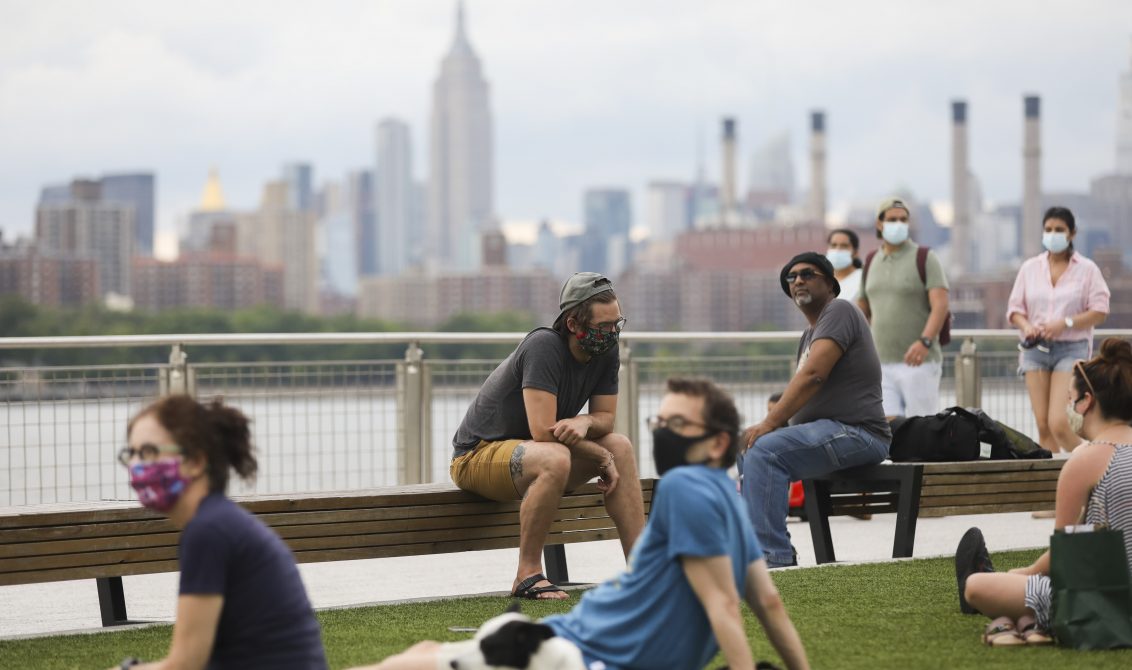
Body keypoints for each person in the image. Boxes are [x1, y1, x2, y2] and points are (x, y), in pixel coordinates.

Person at [357, 378, 810, 670]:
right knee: (423, 659)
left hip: (576, 654)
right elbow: (759, 604)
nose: (663, 431)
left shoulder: (689, 489)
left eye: (678, 423)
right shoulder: (723, 499)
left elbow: (747, 605)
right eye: (661, 420)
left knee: (423, 658)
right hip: (566, 649)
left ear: (718, 443)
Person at [450, 272, 645, 600]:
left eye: (617, 324)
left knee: (620, 447)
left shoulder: (606, 351)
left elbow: (605, 420)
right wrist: (598, 456)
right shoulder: (543, 346)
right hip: (476, 456)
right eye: (603, 327)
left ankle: (643, 574)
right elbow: (543, 431)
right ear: (573, 323)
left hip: (537, 456)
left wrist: (584, 422)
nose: (612, 334)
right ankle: (527, 575)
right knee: (558, 455)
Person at [113, 395, 327, 669]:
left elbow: (186, 663)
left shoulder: (209, 531)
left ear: (196, 462)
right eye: (131, 454)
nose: (136, 466)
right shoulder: (219, 521)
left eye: (149, 452)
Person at [958, 338, 1132, 645]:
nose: (1068, 407)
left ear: (1086, 402)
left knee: (976, 586)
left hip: (1107, 604)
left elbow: (1064, 561)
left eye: (1070, 398)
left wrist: (1023, 573)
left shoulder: (1086, 460)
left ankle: (1013, 608)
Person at [739, 252, 891, 568]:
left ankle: (772, 556)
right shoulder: (810, 334)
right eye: (791, 278)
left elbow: (813, 375)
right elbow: (807, 391)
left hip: (859, 433)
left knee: (767, 451)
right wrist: (771, 424)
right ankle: (754, 545)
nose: (797, 281)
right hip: (831, 431)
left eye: (807, 274)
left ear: (830, 282)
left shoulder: (840, 310)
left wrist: (770, 422)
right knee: (750, 447)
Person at [1006, 206, 1110, 455]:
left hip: (1070, 349)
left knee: (1059, 423)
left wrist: (1066, 323)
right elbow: (1014, 310)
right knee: (1043, 426)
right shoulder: (1030, 268)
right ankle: (1052, 485)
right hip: (1035, 350)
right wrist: (1027, 326)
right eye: (1048, 229)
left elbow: (1100, 310)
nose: (1053, 234)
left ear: (1072, 233)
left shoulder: (1087, 269)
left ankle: (1097, 461)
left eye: (1059, 230)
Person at [857, 197, 950, 418]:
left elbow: (941, 304)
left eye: (903, 219)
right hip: (881, 364)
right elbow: (862, 306)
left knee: (922, 429)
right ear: (880, 224)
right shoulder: (871, 261)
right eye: (892, 219)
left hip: (919, 363)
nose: (898, 224)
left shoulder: (925, 258)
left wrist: (924, 342)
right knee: (888, 431)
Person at [826, 228, 864, 304]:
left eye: (844, 246)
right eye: (833, 245)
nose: (837, 250)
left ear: (855, 252)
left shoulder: (863, 279)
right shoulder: (823, 281)